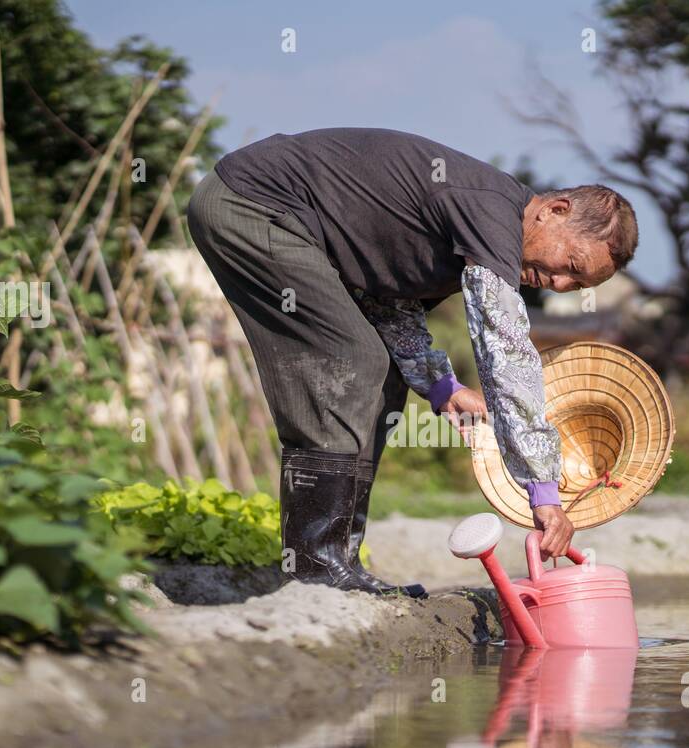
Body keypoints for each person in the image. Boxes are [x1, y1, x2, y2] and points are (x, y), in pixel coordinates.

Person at [187, 128, 638, 597]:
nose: (560, 285)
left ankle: (339, 562)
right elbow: (505, 353)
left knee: (383, 374)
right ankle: (314, 569)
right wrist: (544, 492)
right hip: (252, 205)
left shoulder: (477, 232)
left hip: (286, 221)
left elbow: (389, 304)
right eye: (571, 264)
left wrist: (440, 386)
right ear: (555, 210)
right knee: (350, 358)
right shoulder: (490, 211)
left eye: (577, 287)